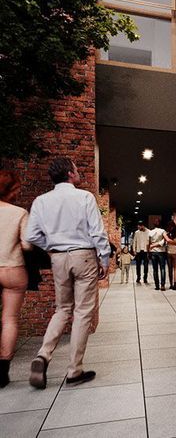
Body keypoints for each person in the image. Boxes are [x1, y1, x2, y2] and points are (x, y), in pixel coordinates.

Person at [24, 156, 110, 389]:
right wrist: (104, 258)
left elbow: (31, 236)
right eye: (76, 169)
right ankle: (74, 371)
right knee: (83, 312)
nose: (79, 171)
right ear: (70, 174)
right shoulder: (84, 197)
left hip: (58, 258)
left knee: (62, 310)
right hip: (83, 256)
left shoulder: (41, 201)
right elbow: (97, 232)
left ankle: (43, 354)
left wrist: (52, 247)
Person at [0, 169, 32, 387]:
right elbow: (27, 244)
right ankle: (3, 370)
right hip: (13, 269)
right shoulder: (19, 212)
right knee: (9, 319)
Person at [148, 219, 168, 291]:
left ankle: (157, 285)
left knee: (155, 269)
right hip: (161, 252)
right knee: (162, 268)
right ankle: (162, 285)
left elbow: (149, 243)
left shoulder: (150, 232)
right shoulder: (163, 231)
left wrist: (149, 251)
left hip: (153, 252)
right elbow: (165, 240)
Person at [165, 220, 176, 290]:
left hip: (169, 252)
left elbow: (166, 242)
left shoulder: (167, 234)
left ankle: (171, 284)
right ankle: (174, 284)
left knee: (170, 269)